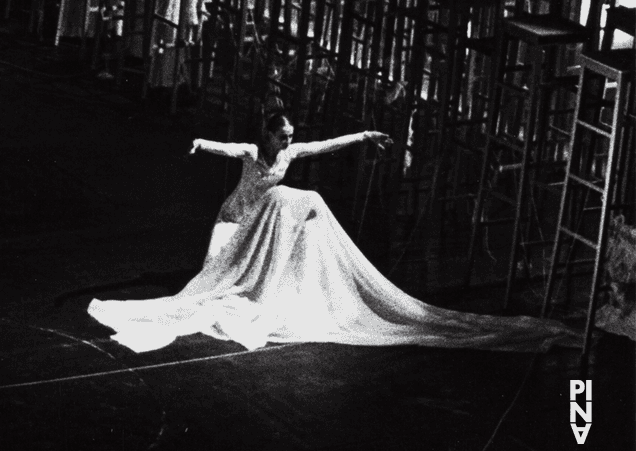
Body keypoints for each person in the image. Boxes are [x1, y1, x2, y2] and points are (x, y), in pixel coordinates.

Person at [88, 111, 575, 353]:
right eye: (283, 136)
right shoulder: (251, 150)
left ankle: (261, 287)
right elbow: (221, 146)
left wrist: (364, 136)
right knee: (211, 277)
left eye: (290, 137)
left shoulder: (290, 155)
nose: (289, 142)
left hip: (262, 220)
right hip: (234, 218)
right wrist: (199, 141)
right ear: (268, 134)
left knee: (243, 276)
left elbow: (326, 145)